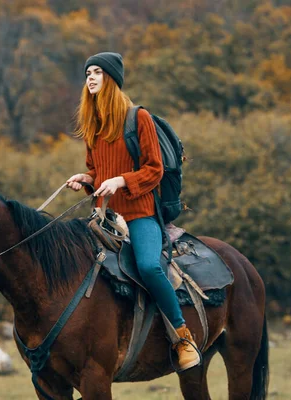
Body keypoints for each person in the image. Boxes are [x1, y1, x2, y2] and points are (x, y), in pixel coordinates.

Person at [66, 52, 200, 371]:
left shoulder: (138, 117)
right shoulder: (92, 125)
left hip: (139, 214)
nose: (91, 77)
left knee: (149, 267)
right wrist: (88, 179)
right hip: (105, 218)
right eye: (88, 73)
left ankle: (182, 337)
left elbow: (154, 170)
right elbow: (97, 173)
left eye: (98, 72)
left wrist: (122, 180)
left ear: (112, 78)